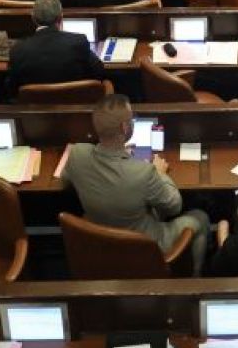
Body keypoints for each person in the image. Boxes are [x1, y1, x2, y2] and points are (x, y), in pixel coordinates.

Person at [61, 93, 210, 270]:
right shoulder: (144, 172)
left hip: (98, 237)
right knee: (200, 218)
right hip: (142, 243)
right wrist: (160, 172)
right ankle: (196, 277)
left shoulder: (77, 154)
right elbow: (174, 206)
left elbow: (65, 182)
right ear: (125, 128)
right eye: (132, 119)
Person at [7, 0, 105, 95]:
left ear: (33, 18)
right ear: (61, 17)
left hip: (34, 107)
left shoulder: (17, 50)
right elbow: (98, 70)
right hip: (74, 105)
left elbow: (12, 88)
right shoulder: (78, 41)